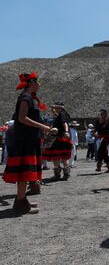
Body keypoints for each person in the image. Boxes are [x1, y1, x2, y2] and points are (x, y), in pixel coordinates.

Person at [3, 72, 51, 214]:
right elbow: (22, 118)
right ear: (31, 83)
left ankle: (21, 200)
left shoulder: (29, 98)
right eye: (37, 82)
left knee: (25, 172)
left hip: (29, 139)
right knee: (24, 172)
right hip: (25, 140)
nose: (39, 85)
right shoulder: (25, 98)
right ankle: (20, 203)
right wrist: (43, 127)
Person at [43, 102, 73, 181]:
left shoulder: (62, 114)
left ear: (59, 108)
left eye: (55, 107)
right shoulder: (62, 114)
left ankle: (58, 174)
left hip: (60, 139)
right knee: (62, 156)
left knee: (57, 156)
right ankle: (65, 174)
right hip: (62, 139)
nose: (54, 109)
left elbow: (65, 123)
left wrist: (66, 131)